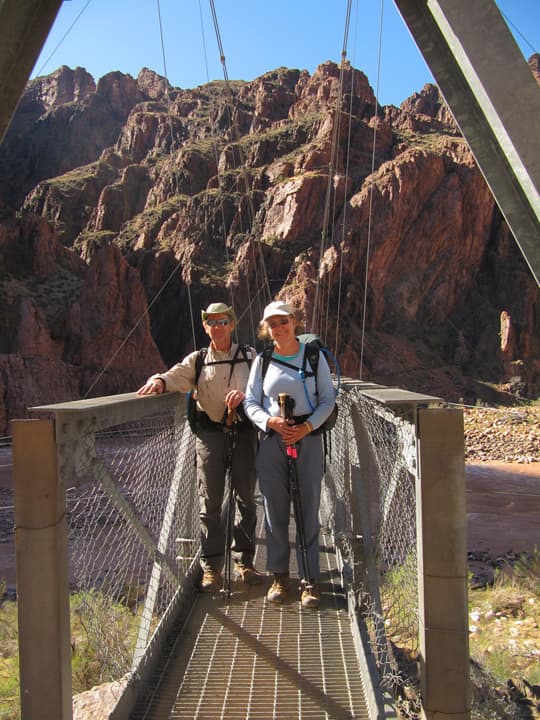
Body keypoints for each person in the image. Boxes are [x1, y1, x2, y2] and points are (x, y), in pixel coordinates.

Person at [137, 302, 260, 593]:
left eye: (222, 321)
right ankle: (212, 567)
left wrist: (246, 396)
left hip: (243, 432)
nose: (217, 326)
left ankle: (244, 562)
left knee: (246, 497)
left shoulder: (250, 357)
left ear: (232, 324)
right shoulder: (198, 359)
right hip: (209, 434)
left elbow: (264, 388)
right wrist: (158, 380)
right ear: (205, 327)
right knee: (210, 502)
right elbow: (175, 376)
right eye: (212, 322)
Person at [243, 300, 335, 609]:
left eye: (283, 321)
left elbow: (328, 400)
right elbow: (250, 401)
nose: (278, 328)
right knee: (274, 508)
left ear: (293, 322)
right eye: (272, 324)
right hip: (272, 440)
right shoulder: (263, 360)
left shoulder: (314, 357)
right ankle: (279, 576)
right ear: (266, 329)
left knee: (308, 507)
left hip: (306, 439)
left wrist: (307, 427)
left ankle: (310, 581)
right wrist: (268, 421)